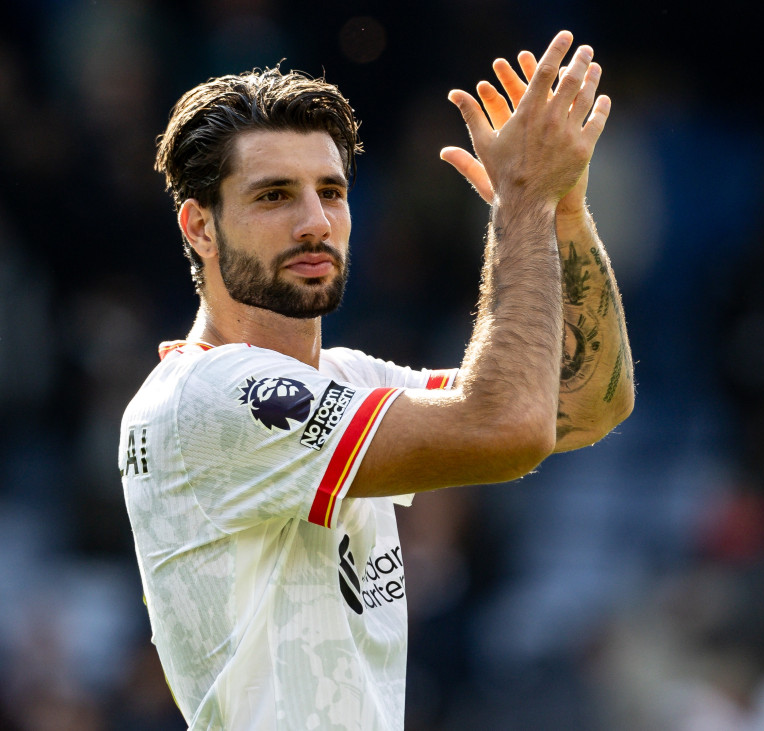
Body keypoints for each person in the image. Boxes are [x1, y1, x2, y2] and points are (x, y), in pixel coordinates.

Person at [119, 30, 633, 730]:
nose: (314, 222)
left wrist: (561, 208)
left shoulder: (346, 377)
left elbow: (584, 402)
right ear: (200, 227)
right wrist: (520, 199)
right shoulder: (207, 396)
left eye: (331, 191)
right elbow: (511, 425)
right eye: (274, 195)